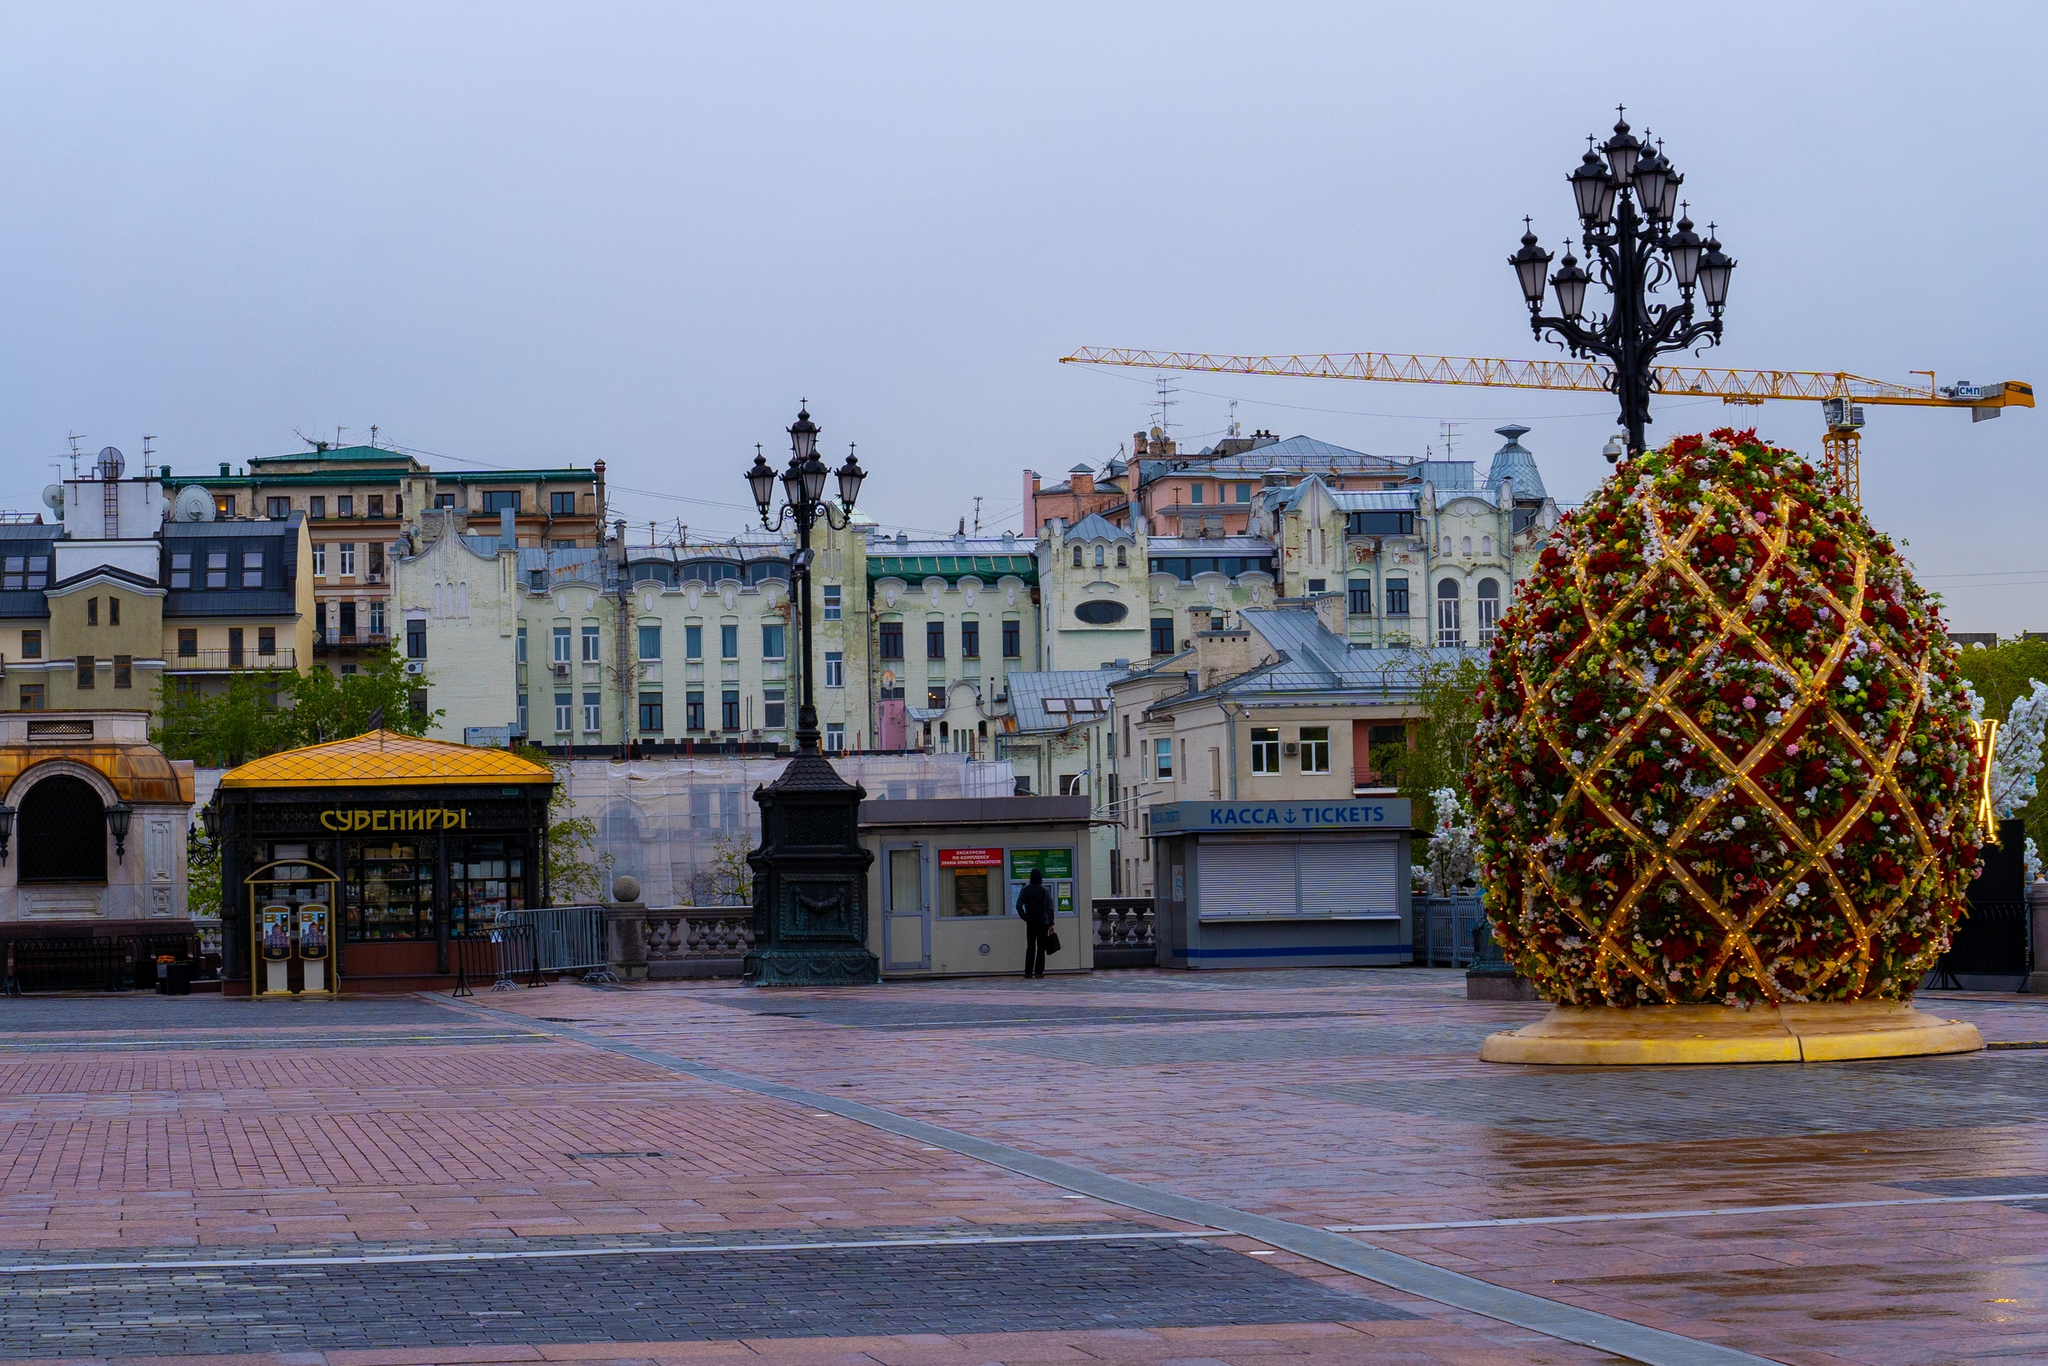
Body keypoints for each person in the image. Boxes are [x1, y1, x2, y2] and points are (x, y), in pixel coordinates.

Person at [1016, 867, 1056, 978]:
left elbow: (1018, 905)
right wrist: (1051, 922)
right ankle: (1039, 972)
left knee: (1030, 947)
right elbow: (1050, 907)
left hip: (1031, 922)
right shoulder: (1045, 890)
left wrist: (1025, 917)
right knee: (1041, 948)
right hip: (1043, 922)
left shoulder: (1025, 889)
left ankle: (1028, 972)